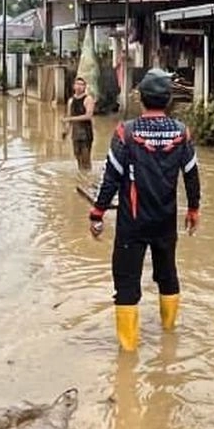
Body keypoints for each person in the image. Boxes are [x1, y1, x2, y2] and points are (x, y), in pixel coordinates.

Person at [89, 69, 201, 351]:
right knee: (167, 273)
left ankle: (127, 354)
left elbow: (111, 178)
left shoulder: (125, 133)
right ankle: (169, 335)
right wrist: (194, 209)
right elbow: (191, 174)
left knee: (126, 283)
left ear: (141, 99)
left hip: (132, 224)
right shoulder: (181, 132)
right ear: (168, 100)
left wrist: (98, 213)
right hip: (165, 221)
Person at [63, 77, 95, 173]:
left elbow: (88, 116)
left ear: (85, 87)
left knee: (85, 158)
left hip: (86, 133)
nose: (79, 86)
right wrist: (66, 131)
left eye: (82, 84)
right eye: (77, 84)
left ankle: (87, 178)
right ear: (74, 86)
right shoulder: (71, 101)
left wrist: (70, 119)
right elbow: (69, 117)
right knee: (77, 156)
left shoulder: (88, 99)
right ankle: (81, 176)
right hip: (75, 134)